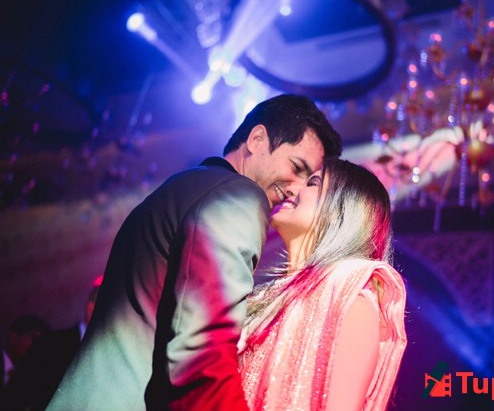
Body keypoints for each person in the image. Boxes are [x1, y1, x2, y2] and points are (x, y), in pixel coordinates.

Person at [47, 94, 342, 411]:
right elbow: (202, 356)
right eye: (296, 167)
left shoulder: (184, 186)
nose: (297, 189)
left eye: (309, 181)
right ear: (257, 139)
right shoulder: (239, 197)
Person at [238, 158, 407, 410]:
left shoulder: (354, 303)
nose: (292, 189)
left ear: (341, 211)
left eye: (313, 183)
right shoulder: (265, 298)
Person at [0, 277, 102, 411]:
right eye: (113, 310)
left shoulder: (109, 351)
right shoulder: (51, 344)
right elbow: (17, 396)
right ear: (91, 308)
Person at [1, 315, 50, 391]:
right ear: (13, 338)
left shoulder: (30, 375)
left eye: (42, 343)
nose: (38, 346)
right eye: (34, 339)